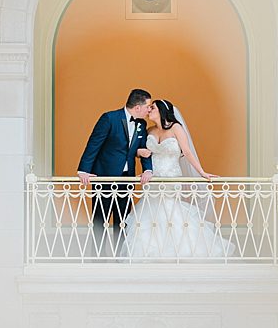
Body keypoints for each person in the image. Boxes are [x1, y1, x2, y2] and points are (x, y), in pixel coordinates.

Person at [124, 99, 236, 258]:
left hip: (171, 177)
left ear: (162, 110)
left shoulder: (176, 128)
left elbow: (187, 152)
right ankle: (152, 252)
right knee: (150, 212)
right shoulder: (150, 131)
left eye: (152, 108)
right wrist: (140, 159)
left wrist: (202, 172)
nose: (149, 111)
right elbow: (141, 153)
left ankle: (178, 251)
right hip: (153, 180)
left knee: (170, 210)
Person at [77, 89, 154, 256]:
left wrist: (148, 168)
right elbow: (94, 144)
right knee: (100, 220)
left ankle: (120, 256)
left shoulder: (141, 124)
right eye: (148, 106)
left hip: (127, 180)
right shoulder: (109, 118)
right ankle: (97, 258)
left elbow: (143, 149)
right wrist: (83, 170)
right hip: (104, 177)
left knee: (122, 221)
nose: (150, 110)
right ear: (138, 107)